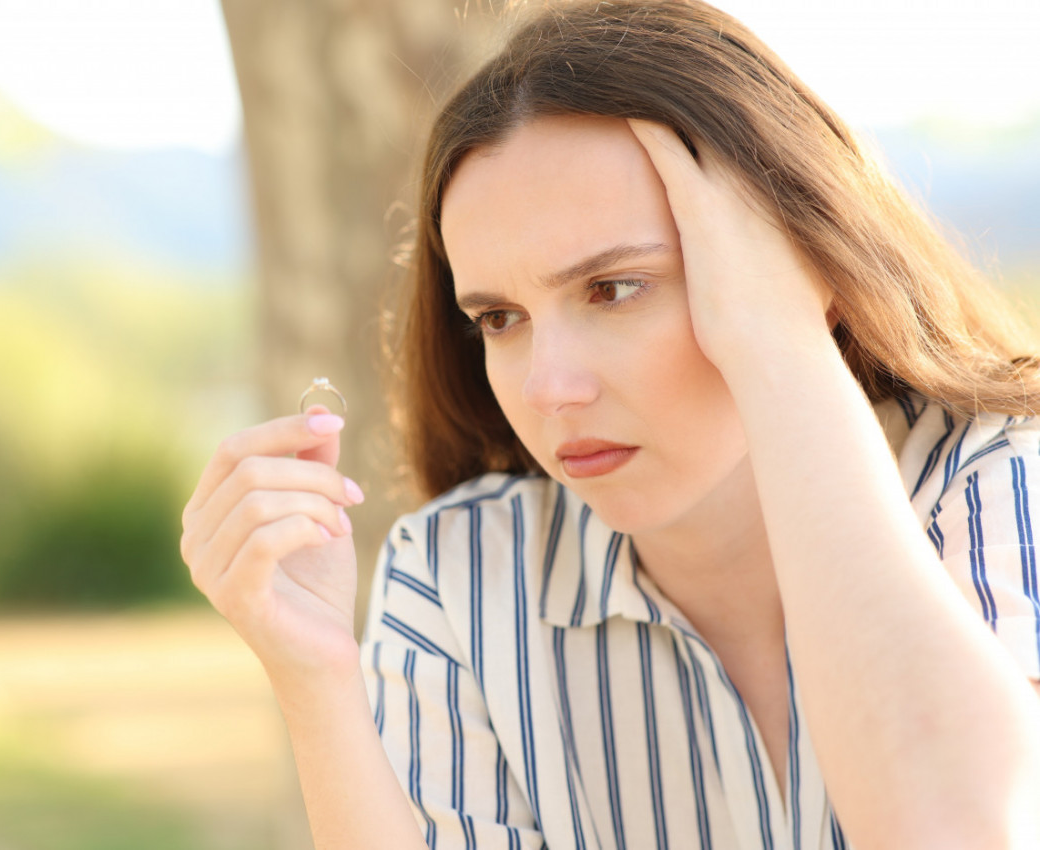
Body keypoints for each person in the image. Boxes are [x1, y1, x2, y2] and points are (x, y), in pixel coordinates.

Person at [180, 1, 1040, 848]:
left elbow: (958, 827)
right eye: (498, 318)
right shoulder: (458, 576)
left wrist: (781, 340)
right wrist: (315, 679)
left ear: (789, 258)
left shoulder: (996, 486)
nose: (549, 389)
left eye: (614, 288)